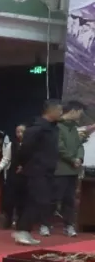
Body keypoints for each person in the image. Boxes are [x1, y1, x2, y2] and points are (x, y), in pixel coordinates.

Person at [13, 100, 63, 245]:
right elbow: (25, 149)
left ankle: (25, 230)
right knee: (38, 200)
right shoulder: (36, 128)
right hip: (36, 170)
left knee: (41, 201)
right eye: (59, 110)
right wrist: (23, 164)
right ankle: (22, 230)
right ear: (50, 111)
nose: (61, 113)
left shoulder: (53, 129)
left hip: (48, 171)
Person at [51, 100, 86, 237]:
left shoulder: (74, 129)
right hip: (60, 169)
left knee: (69, 200)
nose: (80, 116)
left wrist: (79, 158)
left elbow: (79, 146)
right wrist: (72, 159)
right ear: (73, 111)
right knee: (54, 198)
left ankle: (69, 225)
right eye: (80, 113)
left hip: (73, 170)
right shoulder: (57, 127)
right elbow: (59, 147)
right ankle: (45, 223)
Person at [0, 123, 26, 229]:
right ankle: (8, 219)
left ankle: (21, 221)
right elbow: (5, 159)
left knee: (23, 200)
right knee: (9, 199)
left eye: (22, 132)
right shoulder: (11, 144)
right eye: (18, 132)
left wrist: (24, 167)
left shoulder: (31, 145)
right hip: (13, 175)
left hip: (26, 176)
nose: (20, 134)